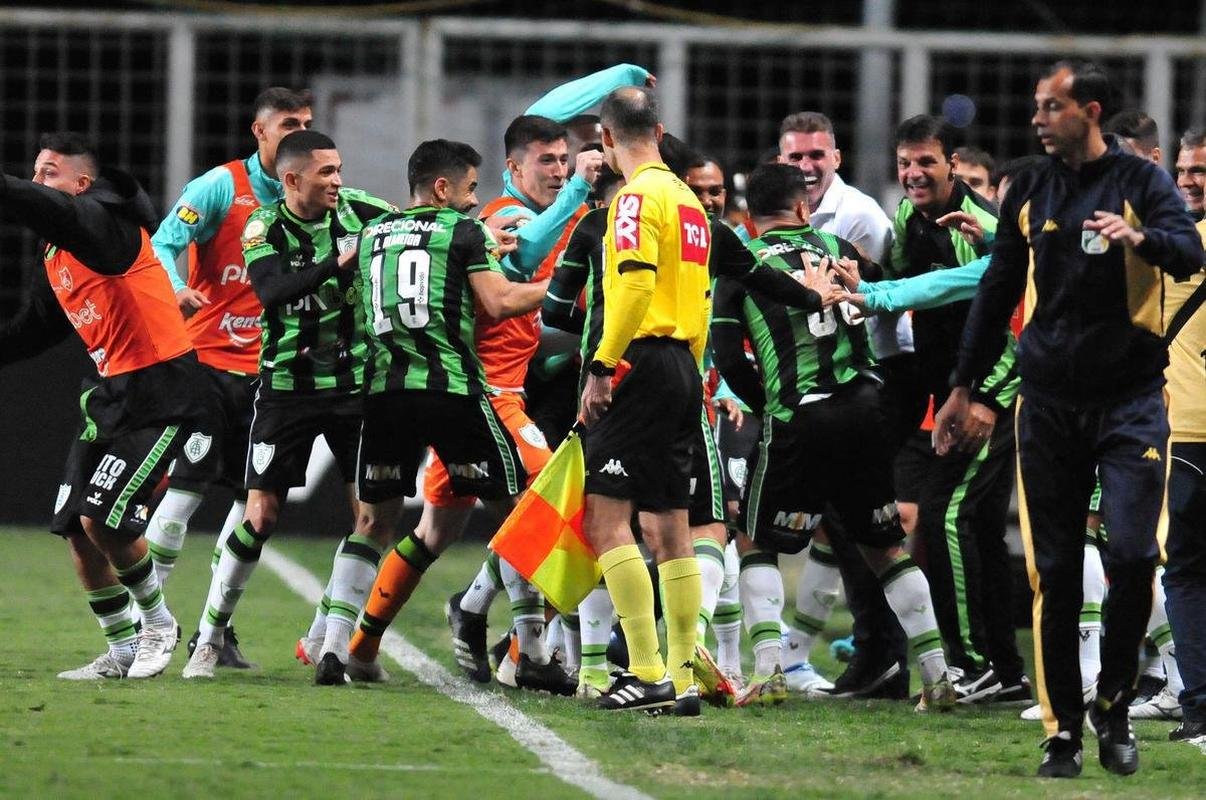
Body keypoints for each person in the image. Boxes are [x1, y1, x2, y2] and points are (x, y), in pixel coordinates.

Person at [939, 59, 1201, 778]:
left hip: (1132, 403)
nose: (1036, 119)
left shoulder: (1142, 184)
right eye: (1035, 107)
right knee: (1053, 570)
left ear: (1088, 111)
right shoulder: (1029, 187)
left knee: (1133, 557)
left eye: (1050, 107)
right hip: (1048, 403)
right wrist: (963, 386)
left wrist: (1139, 239)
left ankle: (1114, 705)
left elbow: (1189, 251)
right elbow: (996, 291)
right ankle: (1062, 733)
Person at [711, 163, 957, 712]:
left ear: (751, 218)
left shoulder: (741, 265)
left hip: (802, 414)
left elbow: (728, 356)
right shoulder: (839, 245)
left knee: (755, 537)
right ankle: (938, 676)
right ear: (803, 208)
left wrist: (766, 405)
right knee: (884, 546)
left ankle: (770, 669)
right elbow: (883, 293)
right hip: (867, 411)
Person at [312, 139, 549, 686]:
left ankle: (341, 651)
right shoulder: (463, 232)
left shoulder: (372, 234)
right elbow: (499, 303)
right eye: (469, 190)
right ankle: (531, 652)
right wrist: (566, 285)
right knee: (515, 514)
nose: (473, 202)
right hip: (452, 394)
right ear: (442, 188)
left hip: (384, 393)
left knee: (373, 522)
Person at [181, 130, 395, 679]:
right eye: (325, 173)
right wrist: (338, 267)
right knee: (261, 514)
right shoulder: (263, 226)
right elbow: (272, 292)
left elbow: (420, 228)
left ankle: (332, 643)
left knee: (371, 517)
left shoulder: (364, 211)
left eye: (339, 169)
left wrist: (476, 231)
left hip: (354, 390)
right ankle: (209, 636)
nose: (338, 181)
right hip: (285, 388)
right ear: (291, 179)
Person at [0, 132, 207, 679]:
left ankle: (158, 626)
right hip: (112, 394)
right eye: (35, 170)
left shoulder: (104, 222)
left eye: (50, 172)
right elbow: (35, 330)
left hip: (160, 388)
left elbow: (45, 206)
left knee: (104, 520)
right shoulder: (57, 252)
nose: (39, 181)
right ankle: (119, 648)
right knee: (76, 528)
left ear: (81, 184)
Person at [146, 86, 314, 670]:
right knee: (186, 491)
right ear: (260, 131)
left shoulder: (311, 192)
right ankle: (151, 625)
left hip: (273, 373)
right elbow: (167, 239)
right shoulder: (221, 186)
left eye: (307, 122)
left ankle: (214, 631)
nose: (299, 130)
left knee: (253, 504)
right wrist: (174, 287)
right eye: (288, 122)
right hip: (210, 365)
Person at [577, 86, 711, 715]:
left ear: (606, 142)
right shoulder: (689, 200)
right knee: (671, 528)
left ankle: (648, 669)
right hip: (685, 363)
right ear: (658, 133)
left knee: (607, 521)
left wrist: (604, 365)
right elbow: (702, 298)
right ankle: (683, 678)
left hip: (641, 362)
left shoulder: (633, 199)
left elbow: (633, 286)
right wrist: (694, 372)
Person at [887, 114, 1026, 704]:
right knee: (981, 532)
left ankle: (972, 664)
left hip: (991, 398)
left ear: (952, 164)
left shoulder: (990, 229)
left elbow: (1024, 323)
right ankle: (1007, 668)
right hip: (951, 397)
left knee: (944, 519)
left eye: (926, 162)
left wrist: (988, 400)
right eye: (905, 163)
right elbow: (901, 280)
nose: (915, 174)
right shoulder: (906, 217)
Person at [778, 111, 915, 699]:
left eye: (816, 156)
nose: (807, 167)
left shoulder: (858, 216)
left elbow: (880, 300)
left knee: (866, 526)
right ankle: (876, 654)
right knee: (843, 525)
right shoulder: (798, 217)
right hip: (843, 387)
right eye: (796, 158)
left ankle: (885, 654)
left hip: (876, 379)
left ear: (836, 157)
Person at [1161, 127, 1206, 746]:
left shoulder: (1172, 247)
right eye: (1185, 169)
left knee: (1188, 572)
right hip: (1185, 430)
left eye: (1201, 170)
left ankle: (1198, 706)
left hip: (1187, 431)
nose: (1189, 179)